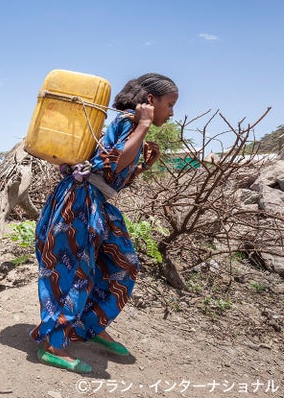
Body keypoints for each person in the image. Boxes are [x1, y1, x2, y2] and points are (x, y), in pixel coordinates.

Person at [30, 72, 179, 373]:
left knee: (123, 264)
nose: (172, 112)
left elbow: (112, 179)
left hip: (96, 202)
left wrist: (142, 165)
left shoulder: (134, 127)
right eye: (170, 104)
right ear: (151, 101)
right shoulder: (128, 122)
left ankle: (90, 324)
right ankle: (53, 345)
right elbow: (107, 163)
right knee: (73, 271)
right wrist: (144, 126)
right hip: (79, 203)